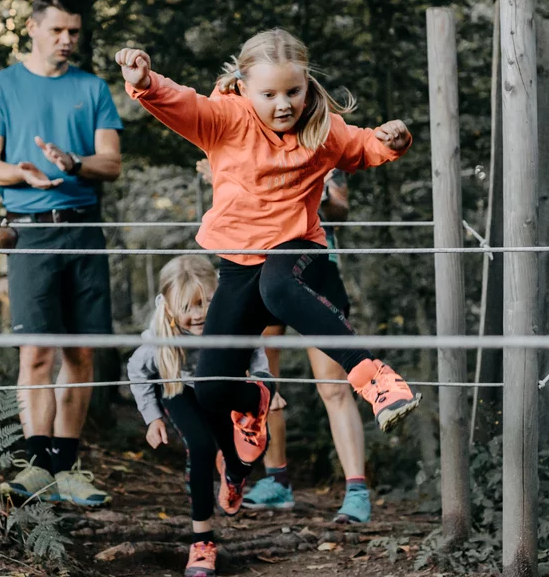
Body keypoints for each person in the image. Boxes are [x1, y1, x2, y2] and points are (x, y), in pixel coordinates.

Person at [114, 29, 420, 509]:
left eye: (293, 91)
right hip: (238, 262)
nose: (283, 104)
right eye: (270, 94)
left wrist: (391, 141)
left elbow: (362, 146)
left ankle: (375, 376)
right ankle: (244, 440)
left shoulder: (321, 127)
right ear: (243, 85)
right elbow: (183, 104)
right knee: (212, 388)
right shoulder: (226, 119)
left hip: (298, 249)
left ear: (307, 85)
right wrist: (146, 82)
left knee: (278, 287)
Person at [0, 0, 122, 507]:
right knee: (36, 352)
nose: (66, 40)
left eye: (74, 32)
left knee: (82, 352)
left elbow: (112, 162)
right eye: (57, 30)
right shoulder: (1, 86)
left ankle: (69, 466)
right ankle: (36, 468)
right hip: (28, 229)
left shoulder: (94, 88)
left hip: (84, 228)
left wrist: (73, 163)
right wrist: (22, 172)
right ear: (33, 27)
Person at [197, 162, 373, 523]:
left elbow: (340, 210)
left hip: (314, 269)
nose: (281, 105)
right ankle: (277, 483)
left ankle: (357, 492)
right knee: (265, 383)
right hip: (257, 268)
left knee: (334, 387)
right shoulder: (244, 141)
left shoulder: (320, 148)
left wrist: (315, 191)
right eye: (269, 98)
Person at [128, 255, 268, 577]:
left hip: (222, 390)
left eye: (205, 303)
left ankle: (233, 473)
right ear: (169, 307)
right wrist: (153, 418)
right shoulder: (160, 339)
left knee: (246, 451)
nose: (198, 315)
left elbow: (255, 349)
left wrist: (266, 385)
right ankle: (202, 542)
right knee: (200, 447)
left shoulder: (231, 321)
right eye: (188, 307)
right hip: (178, 389)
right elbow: (137, 370)